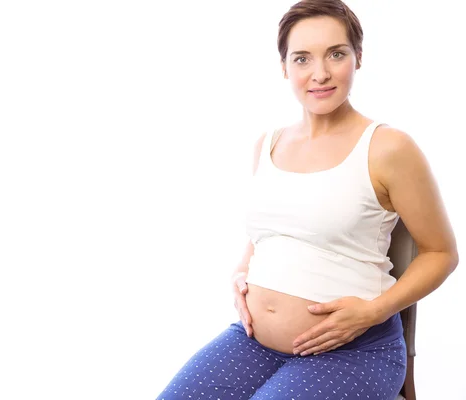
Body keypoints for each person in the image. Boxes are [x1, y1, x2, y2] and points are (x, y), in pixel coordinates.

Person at [156, 1, 459, 399]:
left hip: (354, 350)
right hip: (254, 342)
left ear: (358, 58)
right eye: (302, 58)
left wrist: (373, 312)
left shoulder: (388, 148)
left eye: (336, 54)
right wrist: (242, 271)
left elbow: (441, 253)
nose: (320, 73)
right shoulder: (268, 144)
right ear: (284, 67)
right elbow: (268, 232)